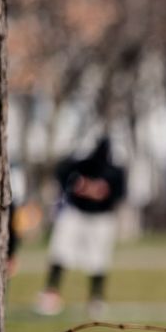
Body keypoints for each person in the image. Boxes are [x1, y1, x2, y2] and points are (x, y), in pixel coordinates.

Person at [36, 136, 127, 317]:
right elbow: (62, 174)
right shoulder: (82, 164)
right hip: (76, 213)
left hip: (102, 218)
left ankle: (96, 299)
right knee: (61, 252)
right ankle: (51, 295)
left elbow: (120, 193)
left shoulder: (115, 171)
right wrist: (79, 186)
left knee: (99, 259)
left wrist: (102, 192)